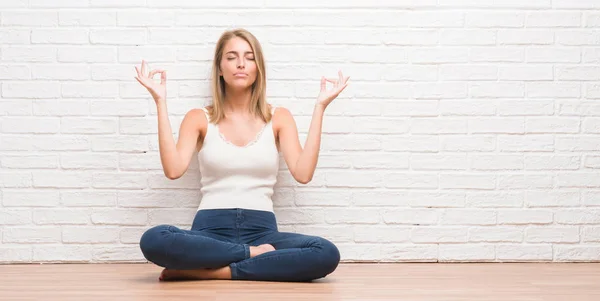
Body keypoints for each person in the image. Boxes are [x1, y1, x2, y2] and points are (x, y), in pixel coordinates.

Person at [134, 28, 350, 282]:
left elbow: (303, 174)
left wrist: (320, 107)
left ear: (258, 67)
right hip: (209, 231)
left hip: (263, 232)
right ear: (219, 68)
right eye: (231, 57)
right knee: (154, 239)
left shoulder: (279, 117)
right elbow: (173, 170)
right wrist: (160, 102)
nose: (240, 64)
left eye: (249, 57)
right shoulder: (198, 117)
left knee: (325, 253)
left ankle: (217, 272)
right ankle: (252, 256)